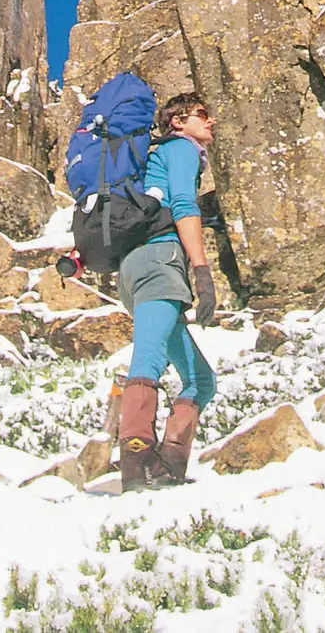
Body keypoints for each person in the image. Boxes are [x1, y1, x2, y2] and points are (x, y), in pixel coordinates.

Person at [114, 91, 219, 489]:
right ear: (177, 122)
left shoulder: (154, 159)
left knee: (201, 380)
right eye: (201, 115)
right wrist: (202, 271)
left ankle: (167, 466)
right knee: (150, 358)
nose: (209, 122)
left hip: (134, 269)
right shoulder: (181, 150)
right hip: (159, 262)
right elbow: (182, 207)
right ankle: (136, 463)